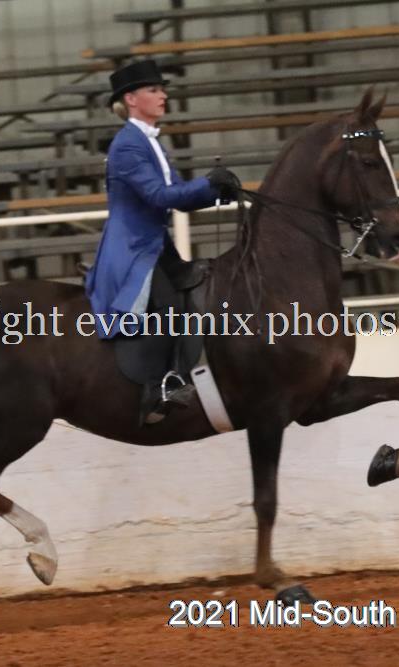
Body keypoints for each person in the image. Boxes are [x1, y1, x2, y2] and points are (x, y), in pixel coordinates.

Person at [84, 59, 241, 427]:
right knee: (169, 305)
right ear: (131, 99)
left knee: (196, 291)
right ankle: (159, 387)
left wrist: (217, 191)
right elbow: (159, 196)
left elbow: (178, 197)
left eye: (162, 89)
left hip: (156, 245)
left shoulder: (151, 141)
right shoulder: (128, 145)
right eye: (153, 90)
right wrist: (207, 182)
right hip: (133, 250)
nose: (163, 95)